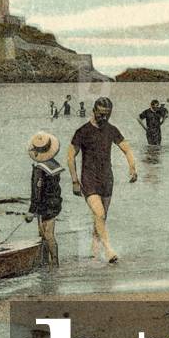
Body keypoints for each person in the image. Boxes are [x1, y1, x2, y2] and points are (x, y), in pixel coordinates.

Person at [68, 97, 137, 264]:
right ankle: (108, 250)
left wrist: (132, 167)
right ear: (94, 111)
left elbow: (127, 149)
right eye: (100, 115)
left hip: (107, 178)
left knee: (101, 218)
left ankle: (94, 252)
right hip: (88, 179)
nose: (104, 118)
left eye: (107, 115)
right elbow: (70, 157)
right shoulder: (82, 131)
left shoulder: (112, 130)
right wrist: (75, 181)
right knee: (99, 213)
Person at [24, 131, 63, 267]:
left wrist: (31, 211)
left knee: (46, 234)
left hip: (44, 206)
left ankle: (53, 263)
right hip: (55, 203)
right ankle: (48, 262)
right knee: (46, 234)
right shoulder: (54, 165)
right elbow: (56, 189)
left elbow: (36, 192)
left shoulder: (39, 169)